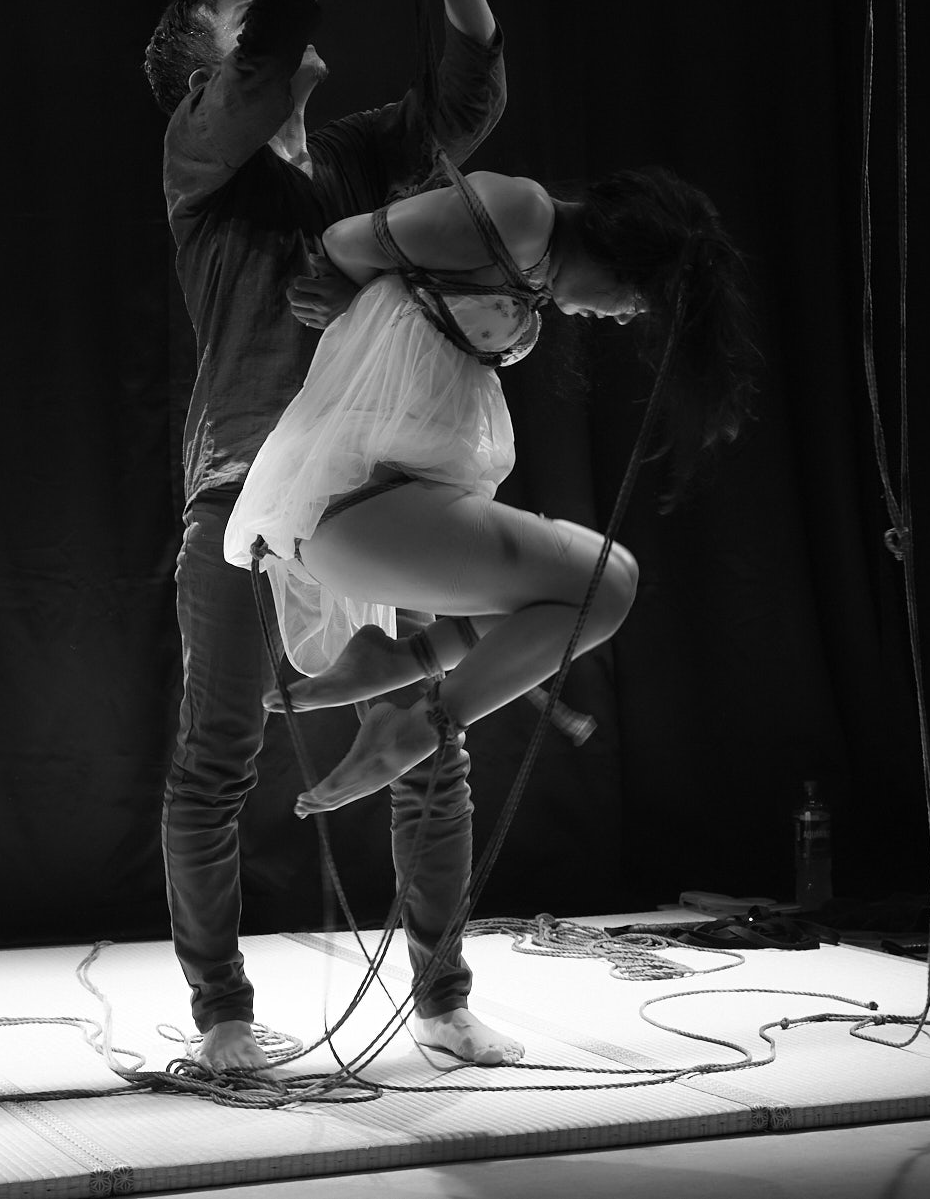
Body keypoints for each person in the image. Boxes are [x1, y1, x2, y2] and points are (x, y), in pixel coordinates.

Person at [151, 0, 514, 1076]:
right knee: (219, 753)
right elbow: (266, 59)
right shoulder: (203, 157)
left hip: (371, 486)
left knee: (428, 736)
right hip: (243, 487)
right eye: (240, 25)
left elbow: (463, 104)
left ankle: (443, 997)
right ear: (202, 79)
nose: (269, 30)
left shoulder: (353, 162)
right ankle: (222, 1013)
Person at [221, 161, 757, 815]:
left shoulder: (529, 265)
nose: (623, 317)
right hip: (354, 505)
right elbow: (343, 240)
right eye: (636, 298)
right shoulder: (519, 215)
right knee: (603, 583)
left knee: (583, 590)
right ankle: (418, 724)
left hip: (383, 510)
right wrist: (353, 293)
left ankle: (402, 663)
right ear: (625, 251)